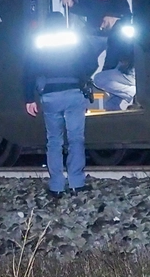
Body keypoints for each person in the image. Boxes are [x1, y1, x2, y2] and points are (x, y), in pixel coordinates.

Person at [24, 13, 99, 196]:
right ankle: (76, 183)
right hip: (74, 92)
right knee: (75, 138)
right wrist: (81, 75)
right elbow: (92, 62)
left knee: (54, 141)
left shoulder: (38, 41)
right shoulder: (74, 37)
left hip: (50, 95)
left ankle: (56, 186)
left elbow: (28, 71)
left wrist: (28, 98)